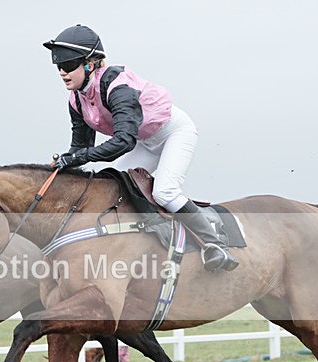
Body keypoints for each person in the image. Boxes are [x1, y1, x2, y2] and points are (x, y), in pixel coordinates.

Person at [43, 25, 238, 273]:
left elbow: (123, 142)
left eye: (68, 66)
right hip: (145, 141)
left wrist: (76, 158)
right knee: (113, 186)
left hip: (174, 133)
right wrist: (61, 166)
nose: (62, 72)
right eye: (58, 66)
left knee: (165, 191)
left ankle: (215, 244)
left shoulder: (116, 86)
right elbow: (81, 148)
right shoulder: (76, 100)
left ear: (90, 64)